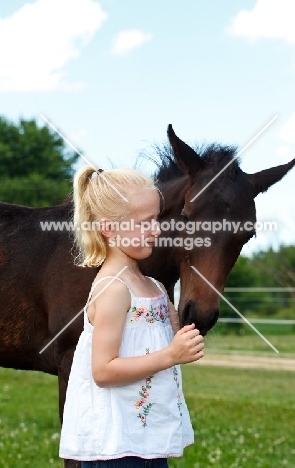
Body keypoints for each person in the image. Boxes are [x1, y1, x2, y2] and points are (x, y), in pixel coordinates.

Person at [59, 167, 205, 468]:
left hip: (149, 440)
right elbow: (103, 371)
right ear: (108, 229)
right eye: (145, 223)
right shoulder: (113, 289)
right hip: (115, 445)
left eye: (157, 219)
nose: (157, 230)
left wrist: (185, 340)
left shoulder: (154, 287)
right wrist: (171, 355)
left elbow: (168, 339)